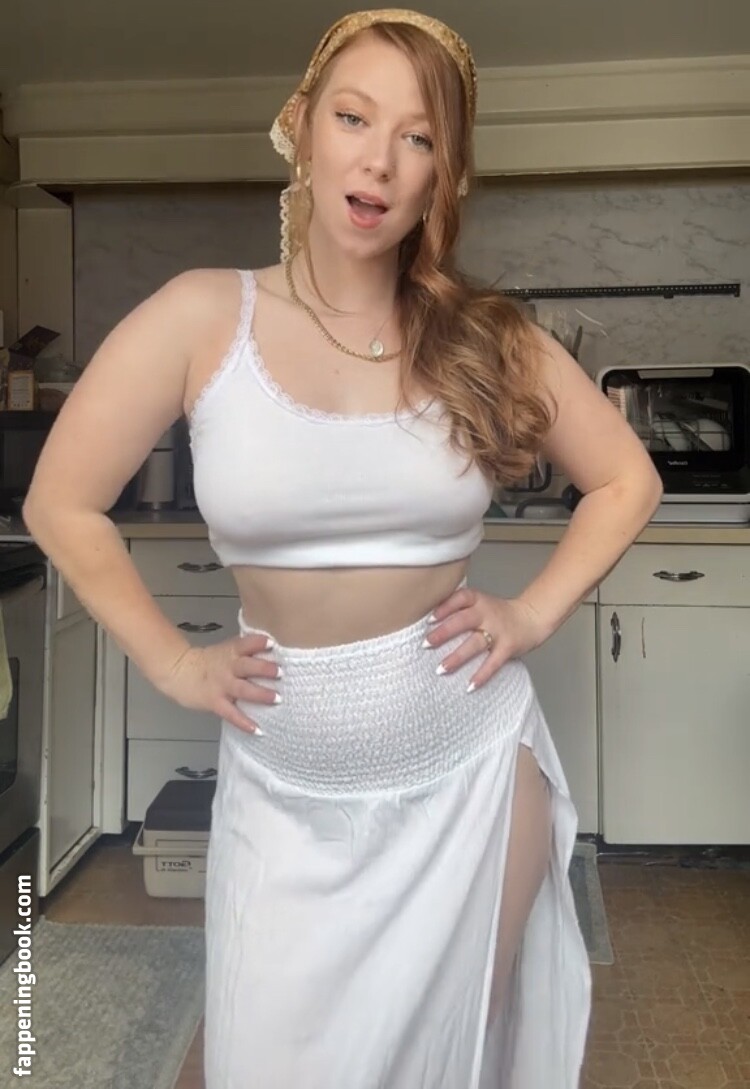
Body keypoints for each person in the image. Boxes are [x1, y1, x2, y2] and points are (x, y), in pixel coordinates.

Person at [23, 9, 662, 1088]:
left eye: (418, 138)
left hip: (468, 778)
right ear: (302, 127)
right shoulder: (201, 317)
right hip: (284, 795)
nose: (379, 160)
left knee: (448, 1061)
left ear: (442, 175)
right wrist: (173, 662)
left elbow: (626, 478)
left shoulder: (484, 335)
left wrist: (531, 612)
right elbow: (61, 502)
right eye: (354, 118)